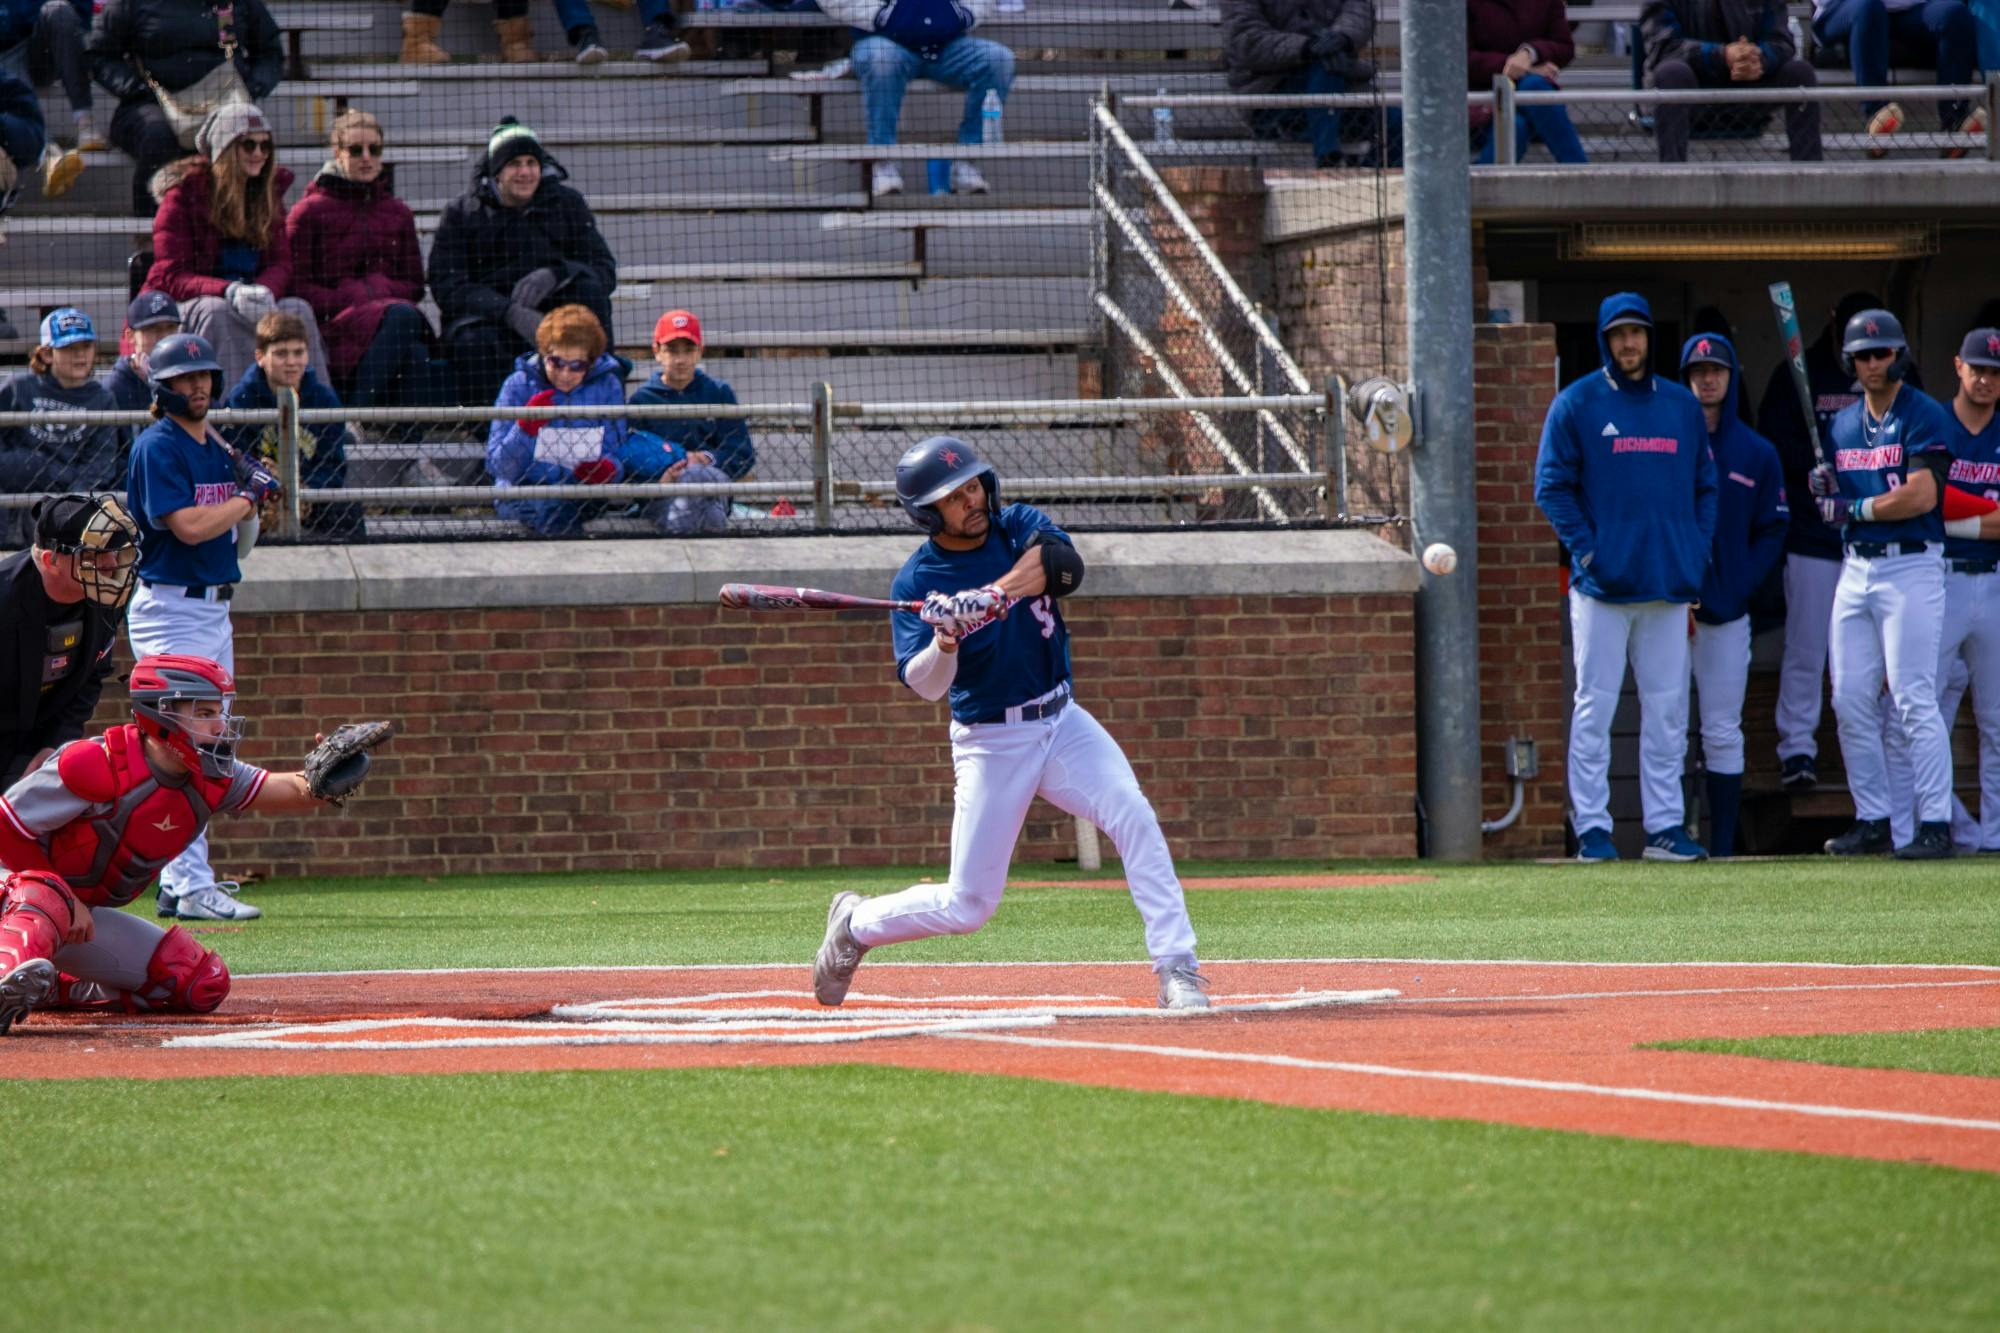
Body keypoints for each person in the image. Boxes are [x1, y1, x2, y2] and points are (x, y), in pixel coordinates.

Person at [811, 436, 1209, 1010]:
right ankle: (856, 923)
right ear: (927, 511)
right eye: (954, 496)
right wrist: (947, 636)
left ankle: (1178, 967)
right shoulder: (917, 581)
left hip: (1062, 718)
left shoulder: (1017, 524)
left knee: (1134, 815)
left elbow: (1061, 565)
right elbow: (926, 685)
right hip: (992, 740)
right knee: (968, 905)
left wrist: (991, 596)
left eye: (973, 485)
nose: (971, 499)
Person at [0, 653, 391, 1033]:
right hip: (19, 899)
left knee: (198, 981)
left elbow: (292, 789)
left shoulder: (211, 774)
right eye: (204, 714)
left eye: (219, 712)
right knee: (47, 895)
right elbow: (6, 825)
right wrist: (67, 898)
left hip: (70, 919)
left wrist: (325, 777)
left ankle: (49, 984)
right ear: (161, 714)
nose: (220, 725)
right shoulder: (95, 762)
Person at [1534, 293, 1717, 862]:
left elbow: (1705, 488)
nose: (1628, 344)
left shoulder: (1681, 406)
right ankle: (1593, 831)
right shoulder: (1576, 404)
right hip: (1603, 591)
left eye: (1636, 333)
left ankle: (1664, 828)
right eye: (1618, 335)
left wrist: (1693, 550)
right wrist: (1589, 556)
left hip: (1667, 587)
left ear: (1648, 337)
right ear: (1604, 340)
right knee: (1595, 707)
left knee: (1667, 711)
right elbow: (1551, 488)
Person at [123, 331, 283, 921]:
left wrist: (252, 499)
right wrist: (248, 498)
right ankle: (190, 884)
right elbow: (188, 526)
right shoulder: (157, 447)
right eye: (186, 380)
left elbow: (236, 537)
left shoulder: (215, 446)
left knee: (210, 742)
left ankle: (177, 879)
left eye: (205, 377)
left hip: (213, 607)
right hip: (171, 607)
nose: (199, 387)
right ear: (161, 389)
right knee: (185, 746)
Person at [1810, 308, 1956, 859]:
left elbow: (1921, 496)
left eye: (1883, 352)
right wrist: (1824, 487)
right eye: (1864, 355)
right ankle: (1872, 818)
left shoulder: (1923, 412)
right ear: (1850, 360)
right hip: (1856, 567)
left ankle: (1934, 822)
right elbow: (1835, 497)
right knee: (1848, 697)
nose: (1874, 362)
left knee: (1914, 697)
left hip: (1912, 564)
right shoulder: (1843, 423)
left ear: (1899, 355)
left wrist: (1854, 505)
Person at [1757, 292, 1887, 791]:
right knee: (1807, 649)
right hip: (1813, 536)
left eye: (1878, 350)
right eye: (1860, 345)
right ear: (1836, 326)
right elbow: (1772, 442)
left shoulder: (1898, 377)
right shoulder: (1799, 372)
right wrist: (1807, 470)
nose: (1871, 359)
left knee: (1867, 657)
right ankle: (1797, 751)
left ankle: (1870, 754)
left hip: (1872, 537)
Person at [1881, 327, 2000, 851]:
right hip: (1938, 579)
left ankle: (1993, 838)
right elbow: (1926, 498)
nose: (1985, 380)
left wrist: (1953, 516)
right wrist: (1977, 517)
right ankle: (1918, 833)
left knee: (1996, 721)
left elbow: (1943, 506)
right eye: (1977, 369)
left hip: (1994, 583)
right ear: (1958, 366)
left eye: (1995, 373)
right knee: (1916, 716)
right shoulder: (1933, 421)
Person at [1679, 333, 1787, 857]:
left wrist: (1742, 582)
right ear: (1685, 377)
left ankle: (1721, 850)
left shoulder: (1756, 451)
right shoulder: (1669, 441)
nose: (1707, 378)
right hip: (1670, 608)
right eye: (1698, 370)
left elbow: (1773, 530)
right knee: (1668, 729)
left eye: (1716, 369)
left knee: (1722, 728)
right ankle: (1670, 836)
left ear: (1731, 375)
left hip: (1728, 612)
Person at [429, 117, 619, 410]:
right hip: (490, 322)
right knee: (472, 341)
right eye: (515, 163)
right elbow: (448, 286)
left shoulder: (567, 203)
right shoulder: (460, 212)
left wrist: (558, 274)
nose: (525, 172)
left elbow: (604, 269)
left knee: (590, 292)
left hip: (557, 317)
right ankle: (494, 434)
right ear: (496, 172)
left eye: (532, 162)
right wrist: (509, 312)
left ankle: (600, 411)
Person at [142, 103, 331, 390]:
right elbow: (169, 275)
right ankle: (227, 416)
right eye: (248, 145)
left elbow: (281, 263)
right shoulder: (182, 196)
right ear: (225, 149)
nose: (259, 154)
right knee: (216, 312)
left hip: (254, 294)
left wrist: (266, 289)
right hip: (196, 302)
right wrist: (228, 290)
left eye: (265, 145)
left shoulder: (269, 195)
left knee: (297, 309)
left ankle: (320, 419)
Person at [286, 109, 449, 412]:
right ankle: (355, 416)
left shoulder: (398, 212)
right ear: (337, 152)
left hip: (388, 318)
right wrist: (350, 296)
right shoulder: (307, 212)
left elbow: (414, 284)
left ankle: (406, 450)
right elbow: (294, 285)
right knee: (404, 321)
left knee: (413, 351)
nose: (366, 157)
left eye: (374, 149)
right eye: (355, 149)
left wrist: (377, 290)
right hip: (334, 323)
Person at [85, 0, 283, 217]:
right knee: (158, 137)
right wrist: (136, 88)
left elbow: (270, 52)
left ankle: (245, 230)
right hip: (150, 102)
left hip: (224, 101)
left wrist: (253, 86)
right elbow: (99, 54)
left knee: (246, 138)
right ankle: (152, 234)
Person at [0, 493, 138, 789]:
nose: (112, 565)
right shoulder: (6, 599)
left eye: (115, 552)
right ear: (51, 561)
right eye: (96, 554)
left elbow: (92, 677)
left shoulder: (104, 593)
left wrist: (54, 745)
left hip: (36, 745)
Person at [819, 0, 1014, 197]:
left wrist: (963, 16)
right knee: (881, 59)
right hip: (884, 42)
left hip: (946, 45)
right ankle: (883, 162)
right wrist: (881, 17)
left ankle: (967, 162)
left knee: (997, 59)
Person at [485, 303, 632, 538]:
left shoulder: (607, 385)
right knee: (554, 509)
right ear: (543, 354)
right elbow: (498, 467)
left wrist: (606, 470)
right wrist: (524, 429)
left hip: (581, 493)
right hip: (522, 494)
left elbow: (618, 451)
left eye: (577, 366)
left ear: (591, 362)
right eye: (556, 362)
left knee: (560, 507)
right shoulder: (517, 385)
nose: (565, 374)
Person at [222, 311, 365, 541]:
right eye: (281, 354)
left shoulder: (324, 399)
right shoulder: (242, 399)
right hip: (258, 495)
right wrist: (267, 486)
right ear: (260, 356)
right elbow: (236, 459)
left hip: (311, 495)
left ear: (308, 355)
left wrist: (305, 491)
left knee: (348, 509)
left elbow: (332, 465)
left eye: (298, 353)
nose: (291, 362)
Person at [1640, 0, 1822, 162]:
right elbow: (1663, 46)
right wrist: (1722, 56)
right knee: (1672, 73)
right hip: (1692, 101)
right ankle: (1673, 186)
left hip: (1747, 94)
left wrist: (1758, 58)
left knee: (1800, 73)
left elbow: (1781, 42)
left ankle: (1810, 179)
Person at [0, 309, 123, 547]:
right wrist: (25, 465)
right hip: (18, 496)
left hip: (72, 501)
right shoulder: (18, 387)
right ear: (46, 354)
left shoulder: (103, 399)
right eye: (69, 348)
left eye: (86, 346)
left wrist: (67, 501)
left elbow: (101, 463)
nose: (80, 355)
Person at [1222, 0, 1395, 169]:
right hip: (1273, 102)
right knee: (1324, 65)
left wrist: (1341, 37)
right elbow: (1246, 39)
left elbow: (1359, 10)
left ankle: (1356, 177)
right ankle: (1328, 159)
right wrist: (1306, 47)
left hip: (1343, 96)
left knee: (1400, 125)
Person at [627, 308, 750, 535]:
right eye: (671, 350)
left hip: (712, 480)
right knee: (707, 510)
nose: (680, 359)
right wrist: (662, 478)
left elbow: (742, 452)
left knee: (696, 476)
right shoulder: (641, 400)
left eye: (688, 349)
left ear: (700, 352)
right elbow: (631, 460)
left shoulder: (719, 392)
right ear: (657, 351)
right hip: (664, 493)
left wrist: (706, 459)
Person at [1809, 0, 1985, 153]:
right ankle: (1876, 115)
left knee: (1955, 14)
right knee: (1869, 7)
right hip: (1841, 10)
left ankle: (1954, 123)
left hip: (1905, 10)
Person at [1468, 0, 1588, 164]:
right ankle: (1582, 173)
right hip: (1483, 106)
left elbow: (1564, 47)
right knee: (1515, 126)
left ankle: (1580, 172)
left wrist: (1530, 53)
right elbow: (1462, 59)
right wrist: (1513, 65)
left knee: (1533, 86)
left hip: (1535, 105)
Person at [0, 0, 94, 196]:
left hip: (41, 47)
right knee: (19, 102)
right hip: (6, 52)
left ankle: (85, 124)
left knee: (59, 9)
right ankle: (50, 154)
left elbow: (83, 13)